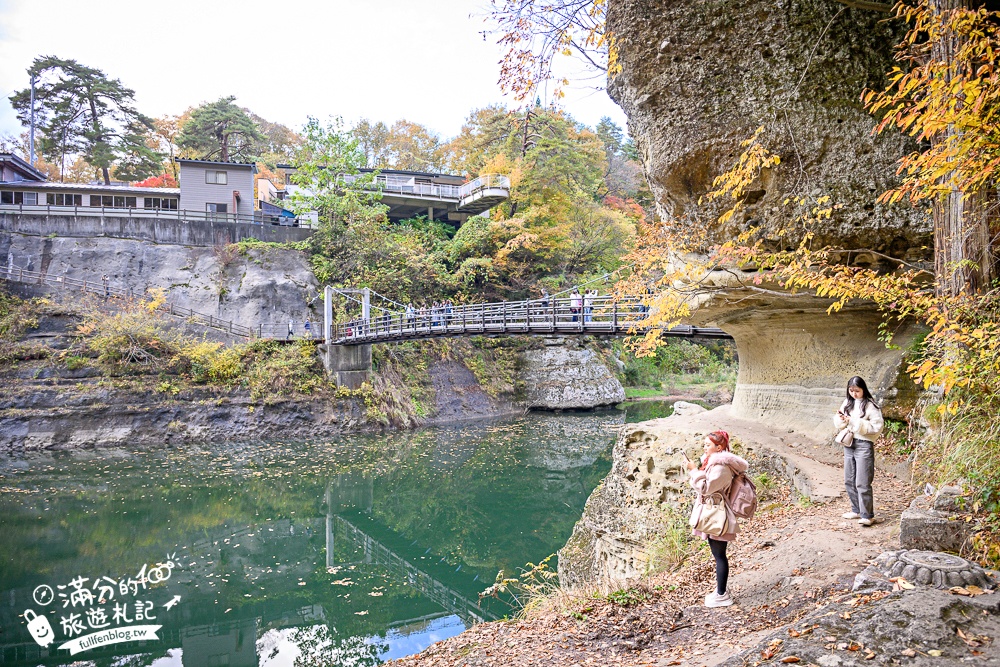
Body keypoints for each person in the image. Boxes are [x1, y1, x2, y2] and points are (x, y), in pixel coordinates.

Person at [686, 430, 748, 608]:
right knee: (717, 554)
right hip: (713, 513)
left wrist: (694, 471)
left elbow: (706, 488)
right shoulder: (716, 463)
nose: (704, 448)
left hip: (718, 515)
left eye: (708, 445)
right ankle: (720, 591)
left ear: (719, 447)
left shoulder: (721, 467)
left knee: (720, 555)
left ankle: (722, 595)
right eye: (704, 444)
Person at [834, 376, 883, 527]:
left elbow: (877, 426)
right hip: (849, 443)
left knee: (862, 481)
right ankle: (856, 510)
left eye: (857, 391)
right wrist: (842, 419)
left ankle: (867, 515)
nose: (854, 394)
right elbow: (838, 421)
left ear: (863, 390)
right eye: (851, 390)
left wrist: (853, 421)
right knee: (849, 479)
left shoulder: (870, 405)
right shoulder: (847, 403)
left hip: (864, 444)